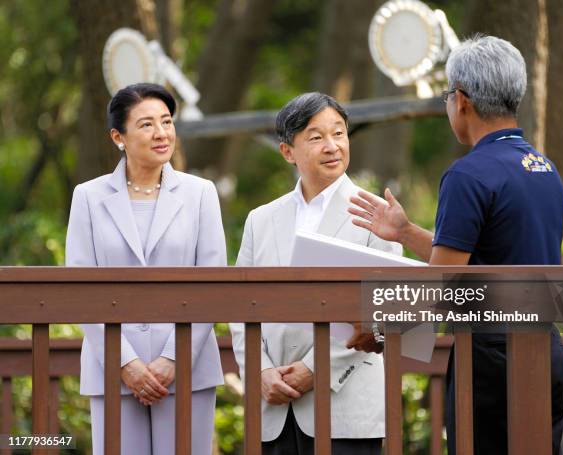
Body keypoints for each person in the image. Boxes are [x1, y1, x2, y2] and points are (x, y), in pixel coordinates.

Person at [347, 35, 563, 454]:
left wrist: (380, 329)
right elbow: (485, 257)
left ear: (461, 100)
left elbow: (443, 283)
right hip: (546, 345)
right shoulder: (543, 167)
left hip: (490, 353)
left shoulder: (468, 175)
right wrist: (406, 230)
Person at [230, 92, 402, 455]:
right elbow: (239, 306)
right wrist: (260, 373)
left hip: (346, 409)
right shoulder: (260, 219)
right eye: (316, 136)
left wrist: (314, 369)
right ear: (287, 152)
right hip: (274, 410)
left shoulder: (378, 215)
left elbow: (382, 310)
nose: (332, 146)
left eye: (339, 133)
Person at [65, 83, 225, 454]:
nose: (161, 133)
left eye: (167, 122)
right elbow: (80, 288)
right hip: (113, 367)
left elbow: (213, 284)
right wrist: (126, 363)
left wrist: (173, 357)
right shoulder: (88, 197)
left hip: (188, 366)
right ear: (118, 136)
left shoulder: (200, 194)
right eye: (147, 124)